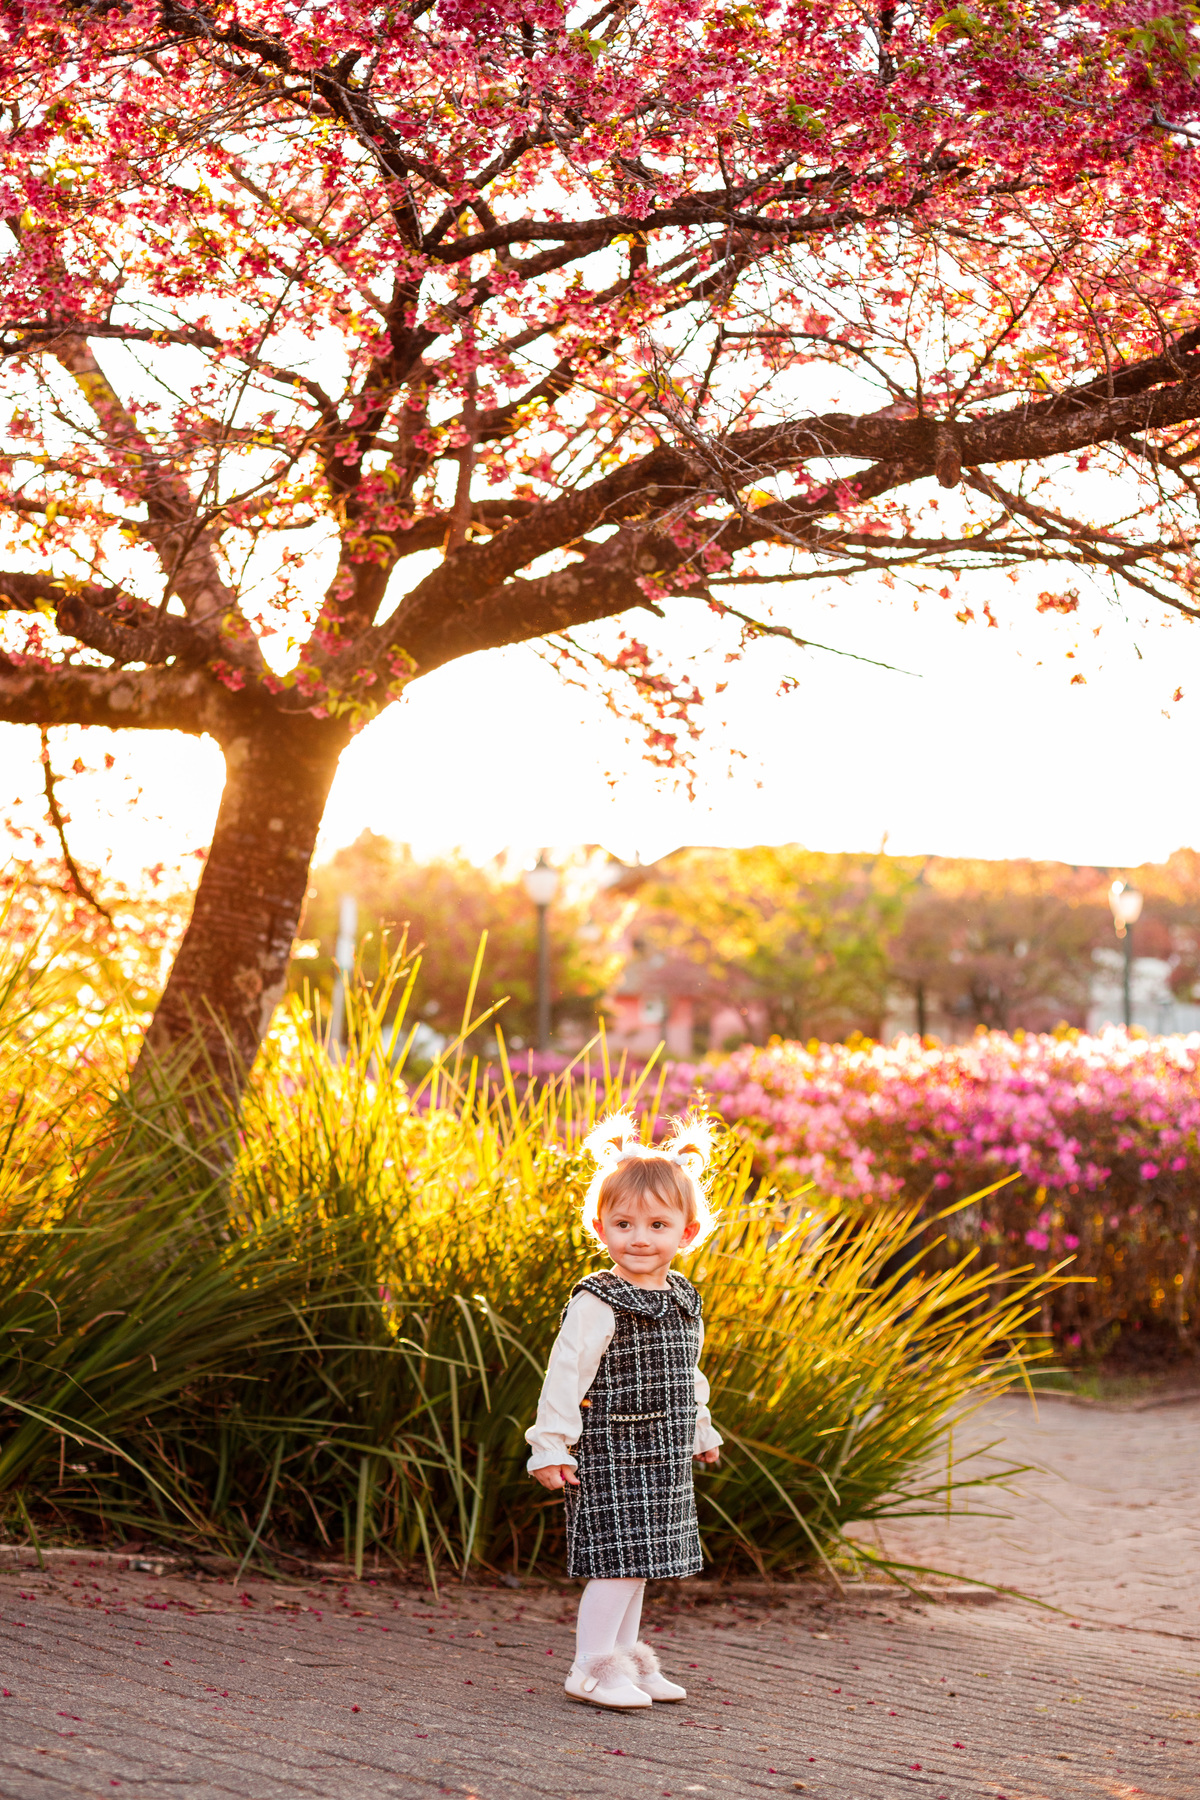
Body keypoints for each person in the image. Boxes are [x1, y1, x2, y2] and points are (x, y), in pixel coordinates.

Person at [525, 1110, 723, 1710]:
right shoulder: (598, 1300)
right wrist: (550, 1446)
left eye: (658, 1224)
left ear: (687, 1232)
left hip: (664, 1452)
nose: (640, 1237)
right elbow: (565, 1375)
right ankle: (590, 1669)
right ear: (599, 1226)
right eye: (624, 1223)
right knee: (617, 1562)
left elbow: (688, 1373)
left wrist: (701, 1430)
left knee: (643, 1561)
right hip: (612, 1450)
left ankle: (627, 1663)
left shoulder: (683, 1297)